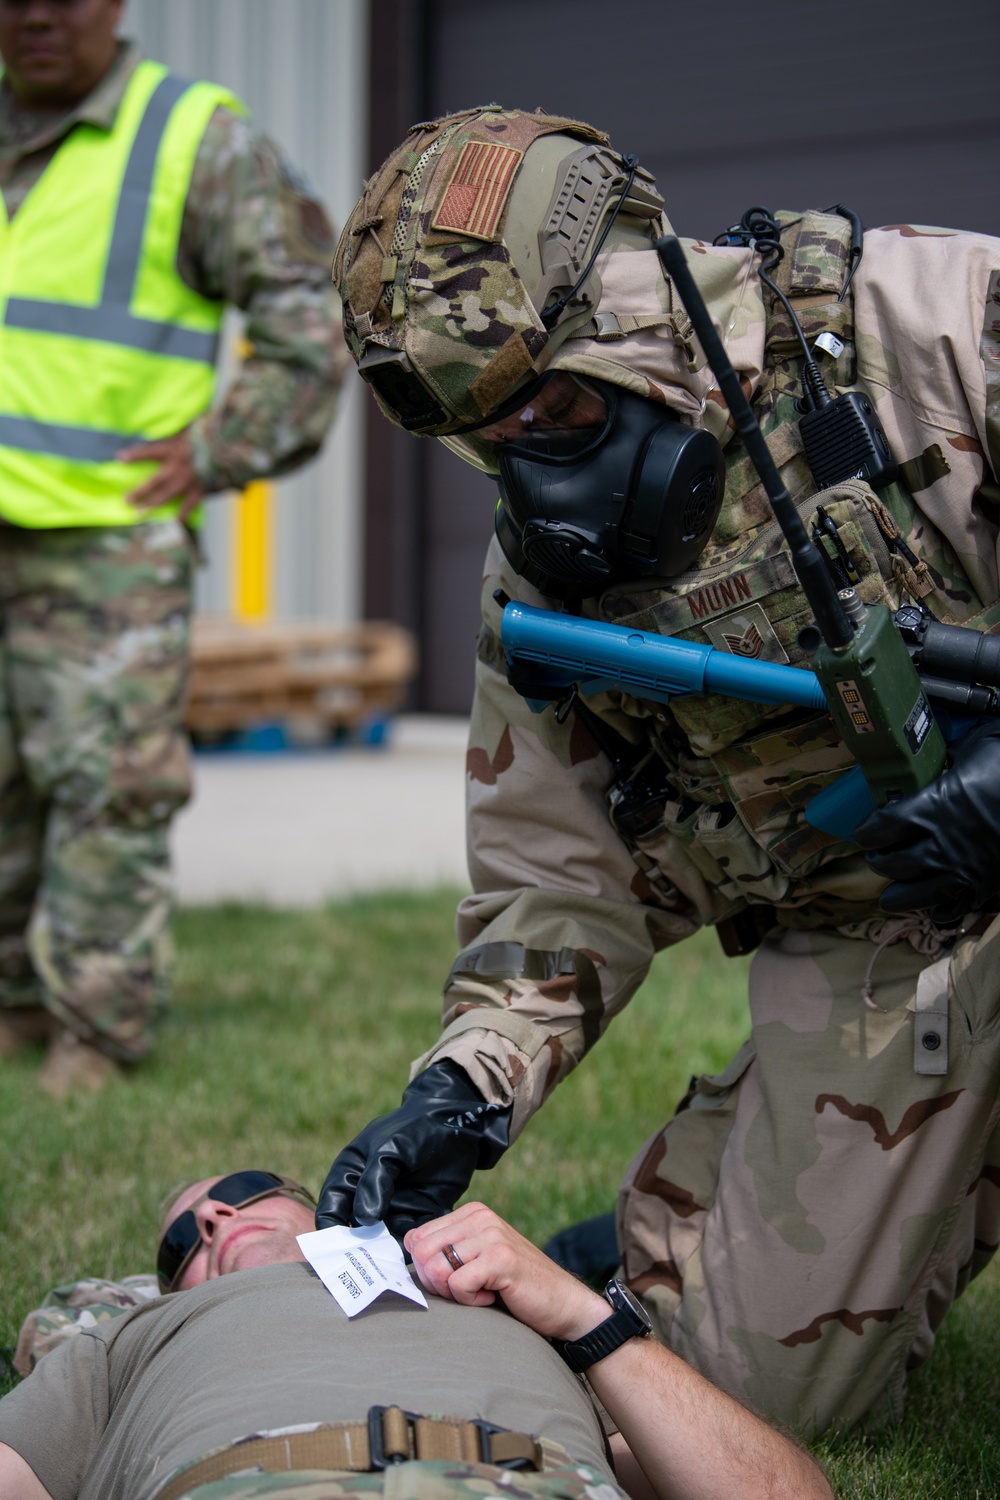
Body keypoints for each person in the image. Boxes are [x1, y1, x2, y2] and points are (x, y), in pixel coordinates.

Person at [316, 104, 1000, 1437]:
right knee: (739, 1397)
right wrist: (461, 1094)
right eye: (492, 443)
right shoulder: (549, 587)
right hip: (885, 939)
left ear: (641, 302)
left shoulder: (940, 332)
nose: (541, 475)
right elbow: (557, 880)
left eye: (559, 408)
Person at [0, 0, 344, 1096]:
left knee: (108, 788)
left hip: (106, 535)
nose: (37, 15)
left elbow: (311, 313)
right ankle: (9, 1004)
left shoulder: (193, 138)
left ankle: (92, 1031)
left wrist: (222, 447)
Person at [0, 1168, 832, 1500]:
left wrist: (582, 1316)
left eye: (243, 1191)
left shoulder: (511, 1304)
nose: (214, 1217)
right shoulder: (134, 1337)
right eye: (182, 1241)